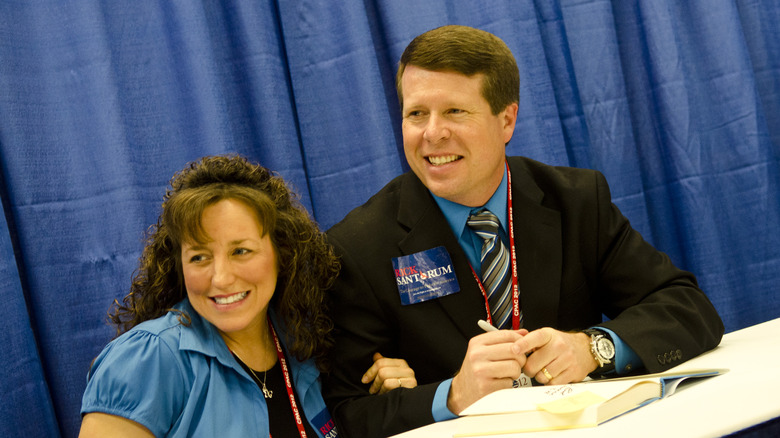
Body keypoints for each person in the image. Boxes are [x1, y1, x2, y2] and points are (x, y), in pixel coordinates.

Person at [321, 25, 724, 437]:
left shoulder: (577, 200)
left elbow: (688, 309)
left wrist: (591, 347)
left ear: (507, 119)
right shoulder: (357, 246)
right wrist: (452, 395)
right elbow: (349, 414)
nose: (432, 133)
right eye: (416, 113)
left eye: (455, 112)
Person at [79, 155, 416, 437]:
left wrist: (385, 396)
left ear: (283, 253)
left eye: (241, 251)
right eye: (199, 256)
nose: (221, 277)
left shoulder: (300, 341)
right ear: (178, 265)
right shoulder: (148, 359)